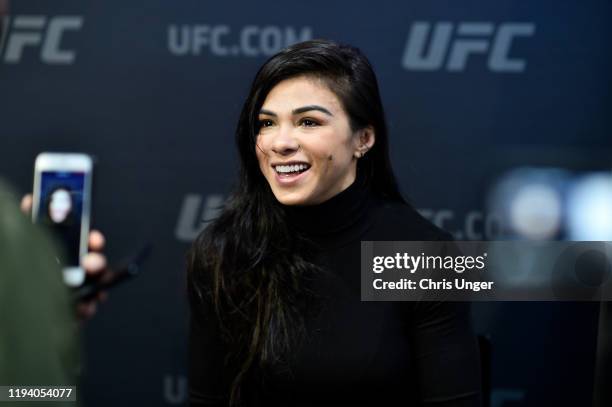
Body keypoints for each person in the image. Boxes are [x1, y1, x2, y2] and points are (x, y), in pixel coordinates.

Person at [187, 39, 482, 406]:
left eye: (308, 121)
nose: (280, 143)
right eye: (266, 123)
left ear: (364, 138)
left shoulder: (423, 257)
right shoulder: (225, 250)